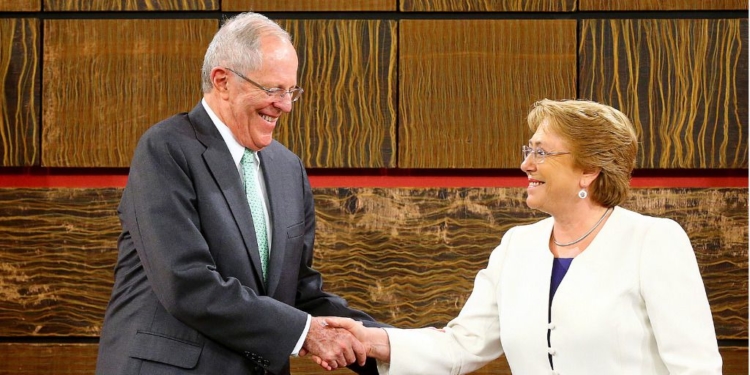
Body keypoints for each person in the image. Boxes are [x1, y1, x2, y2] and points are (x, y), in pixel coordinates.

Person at [323, 99, 723, 374]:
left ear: (589, 171)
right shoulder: (517, 247)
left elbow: (697, 368)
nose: (525, 163)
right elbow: (462, 347)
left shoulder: (653, 241)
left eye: (542, 153)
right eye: (528, 150)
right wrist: (372, 340)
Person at [96, 12, 382, 375]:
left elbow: (299, 293)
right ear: (223, 81)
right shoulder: (166, 148)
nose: (286, 105)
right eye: (273, 90)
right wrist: (306, 333)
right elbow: (187, 283)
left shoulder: (287, 168)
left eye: (291, 90)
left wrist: (396, 347)